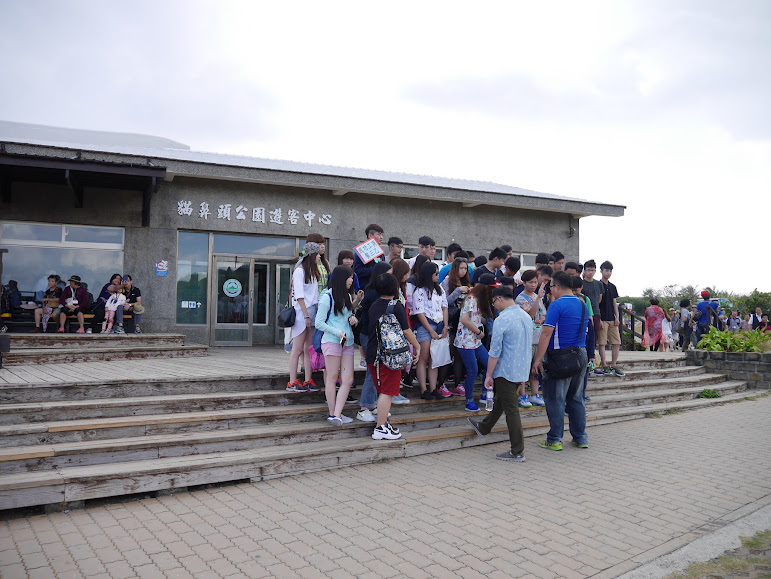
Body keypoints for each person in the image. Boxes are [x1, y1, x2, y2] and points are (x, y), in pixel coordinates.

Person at [467, 286, 533, 462]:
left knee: (511, 409)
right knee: (502, 402)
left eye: (494, 302)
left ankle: (517, 451)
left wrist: (489, 374)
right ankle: (484, 427)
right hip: (521, 368)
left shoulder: (502, 319)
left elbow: (495, 351)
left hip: (505, 370)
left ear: (499, 299)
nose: (494, 306)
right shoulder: (526, 316)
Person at [532, 271, 590, 451]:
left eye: (551, 287)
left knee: (556, 399)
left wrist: (538, 359)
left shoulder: (557, 305)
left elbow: (546, 333)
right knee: (576, 398)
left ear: (557, 287)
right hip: (581, 353)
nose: (551, 291)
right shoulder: (582, 304)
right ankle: (580, 438)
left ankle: (554, 439)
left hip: (560, 357)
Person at [367, 273, 421, 440]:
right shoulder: (396, 305)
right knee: (388, 391)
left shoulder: (374, 305)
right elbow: (406, 331)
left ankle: (384, 423)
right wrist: (417, 346)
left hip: (373, 354)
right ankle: (380, 428)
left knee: (383, 390)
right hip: (390, 356)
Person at [315, 266, 359, 426]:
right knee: (332, 377)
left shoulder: (347, 296)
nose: (352, 280)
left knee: (348, 379)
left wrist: (353, 319)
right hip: (332, 341)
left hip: (347, 342)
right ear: (341, 278)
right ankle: (333, 413)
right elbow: (319, 323)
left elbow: (345, 316)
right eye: (350, 277)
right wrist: (337, 332)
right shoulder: (327, 297)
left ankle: (337, 414)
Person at [356, 261, 396, 421]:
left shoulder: (374, 291)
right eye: (389, 274)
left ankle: (371, 404)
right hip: (370, 336)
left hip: (372, 335)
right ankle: (364, 407)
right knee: (372, 371)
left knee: (375, 370)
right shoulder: (374, 293)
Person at [454, 273, 498, 411]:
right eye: (492, 288)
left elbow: (476, 318)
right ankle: (469, 401)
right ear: (486, 288)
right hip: (465, 341)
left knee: (489, 364)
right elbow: (465, 320)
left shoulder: (480, 299)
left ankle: (485, 395)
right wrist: (479, 332)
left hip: (475, 341)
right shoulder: (472, 299)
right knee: (472, 370)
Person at [287, 242, 322, 393]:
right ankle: (292, 381)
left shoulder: (312, 272)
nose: (320, 257)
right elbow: (300, 296)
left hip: (311, 311)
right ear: (312, 255)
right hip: (302, 312)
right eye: (318, 254)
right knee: (297, 349)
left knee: (309, 348)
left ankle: (308, 380)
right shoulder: (299, 271)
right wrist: (307, 315)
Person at [412, 261, 449, 399]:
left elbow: (444, 308)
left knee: (435, 358)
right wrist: (430, 330)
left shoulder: (440, 289)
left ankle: (433, 388)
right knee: (424, 358)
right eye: (436, 273)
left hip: (439, 325)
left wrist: (445, 326)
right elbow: (419, 312)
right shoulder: (419, 291)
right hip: (425, 326)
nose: (438, 276)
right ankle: (424, 389)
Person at [514, 269, 547, 407]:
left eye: (535, 282)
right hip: (526, 339)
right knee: (524, 368)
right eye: (530, 282)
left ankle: (534, 394)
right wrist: (538, 299)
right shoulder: (520, 299)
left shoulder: (537, 296)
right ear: (524, 283)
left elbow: (543, 314)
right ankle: (522, 395)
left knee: (536, 368)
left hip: (538, 337)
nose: (533, 285)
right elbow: (530, 316)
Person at [440, 253, 471, 394]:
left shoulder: (466, 283)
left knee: (459, 355)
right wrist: (458, 291)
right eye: (461, 268)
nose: (463, 271)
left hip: (463, 324)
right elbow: (444, 302)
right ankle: (440, 384)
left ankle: (458, 384)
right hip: (451, 322)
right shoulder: (447, 282)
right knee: (449, 354)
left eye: (465, 269)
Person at [596, 261, 624, 377]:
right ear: (601, 271)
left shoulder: (613, 286)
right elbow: (596, 303)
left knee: (616, 342)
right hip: (602, 318)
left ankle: (613, 364)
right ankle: (604, 365)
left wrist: (617, 317)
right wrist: (599, 319)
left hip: (612, 318)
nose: (608, 273)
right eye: (606, 270)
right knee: (602, 343)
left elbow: (614, 302)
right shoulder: (598, 285)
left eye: (610, 271)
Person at [353, 224, 385, 290]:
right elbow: (357, 270)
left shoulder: (380, 253)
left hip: (379, 287)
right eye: (379, 234)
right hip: (365, 288)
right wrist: (374, 270)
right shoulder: (361, 251)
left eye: (382, 235)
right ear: (370, 235)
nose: (381, 237)